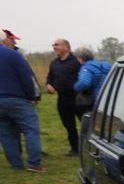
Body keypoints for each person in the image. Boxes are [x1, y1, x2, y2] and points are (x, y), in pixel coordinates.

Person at [0, 34, 46, 172]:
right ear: (3, 40)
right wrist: (31, 96)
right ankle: (34, 163)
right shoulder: (13, 55)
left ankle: (16, 164)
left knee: (6, 134)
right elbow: (26, 77)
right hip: (17, 98)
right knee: (30, 130)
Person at [46, 38, 82, 156]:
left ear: (66, 46)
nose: (54, 47)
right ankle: (74, 148)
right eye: (53, 45)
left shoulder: (76, 61)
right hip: (62, 98)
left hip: (78, 98)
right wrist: (48, 84)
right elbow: (50, 77)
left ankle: (89, 148)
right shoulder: (54, 63)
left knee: (86, 124)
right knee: (69, 125)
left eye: (57, 45)